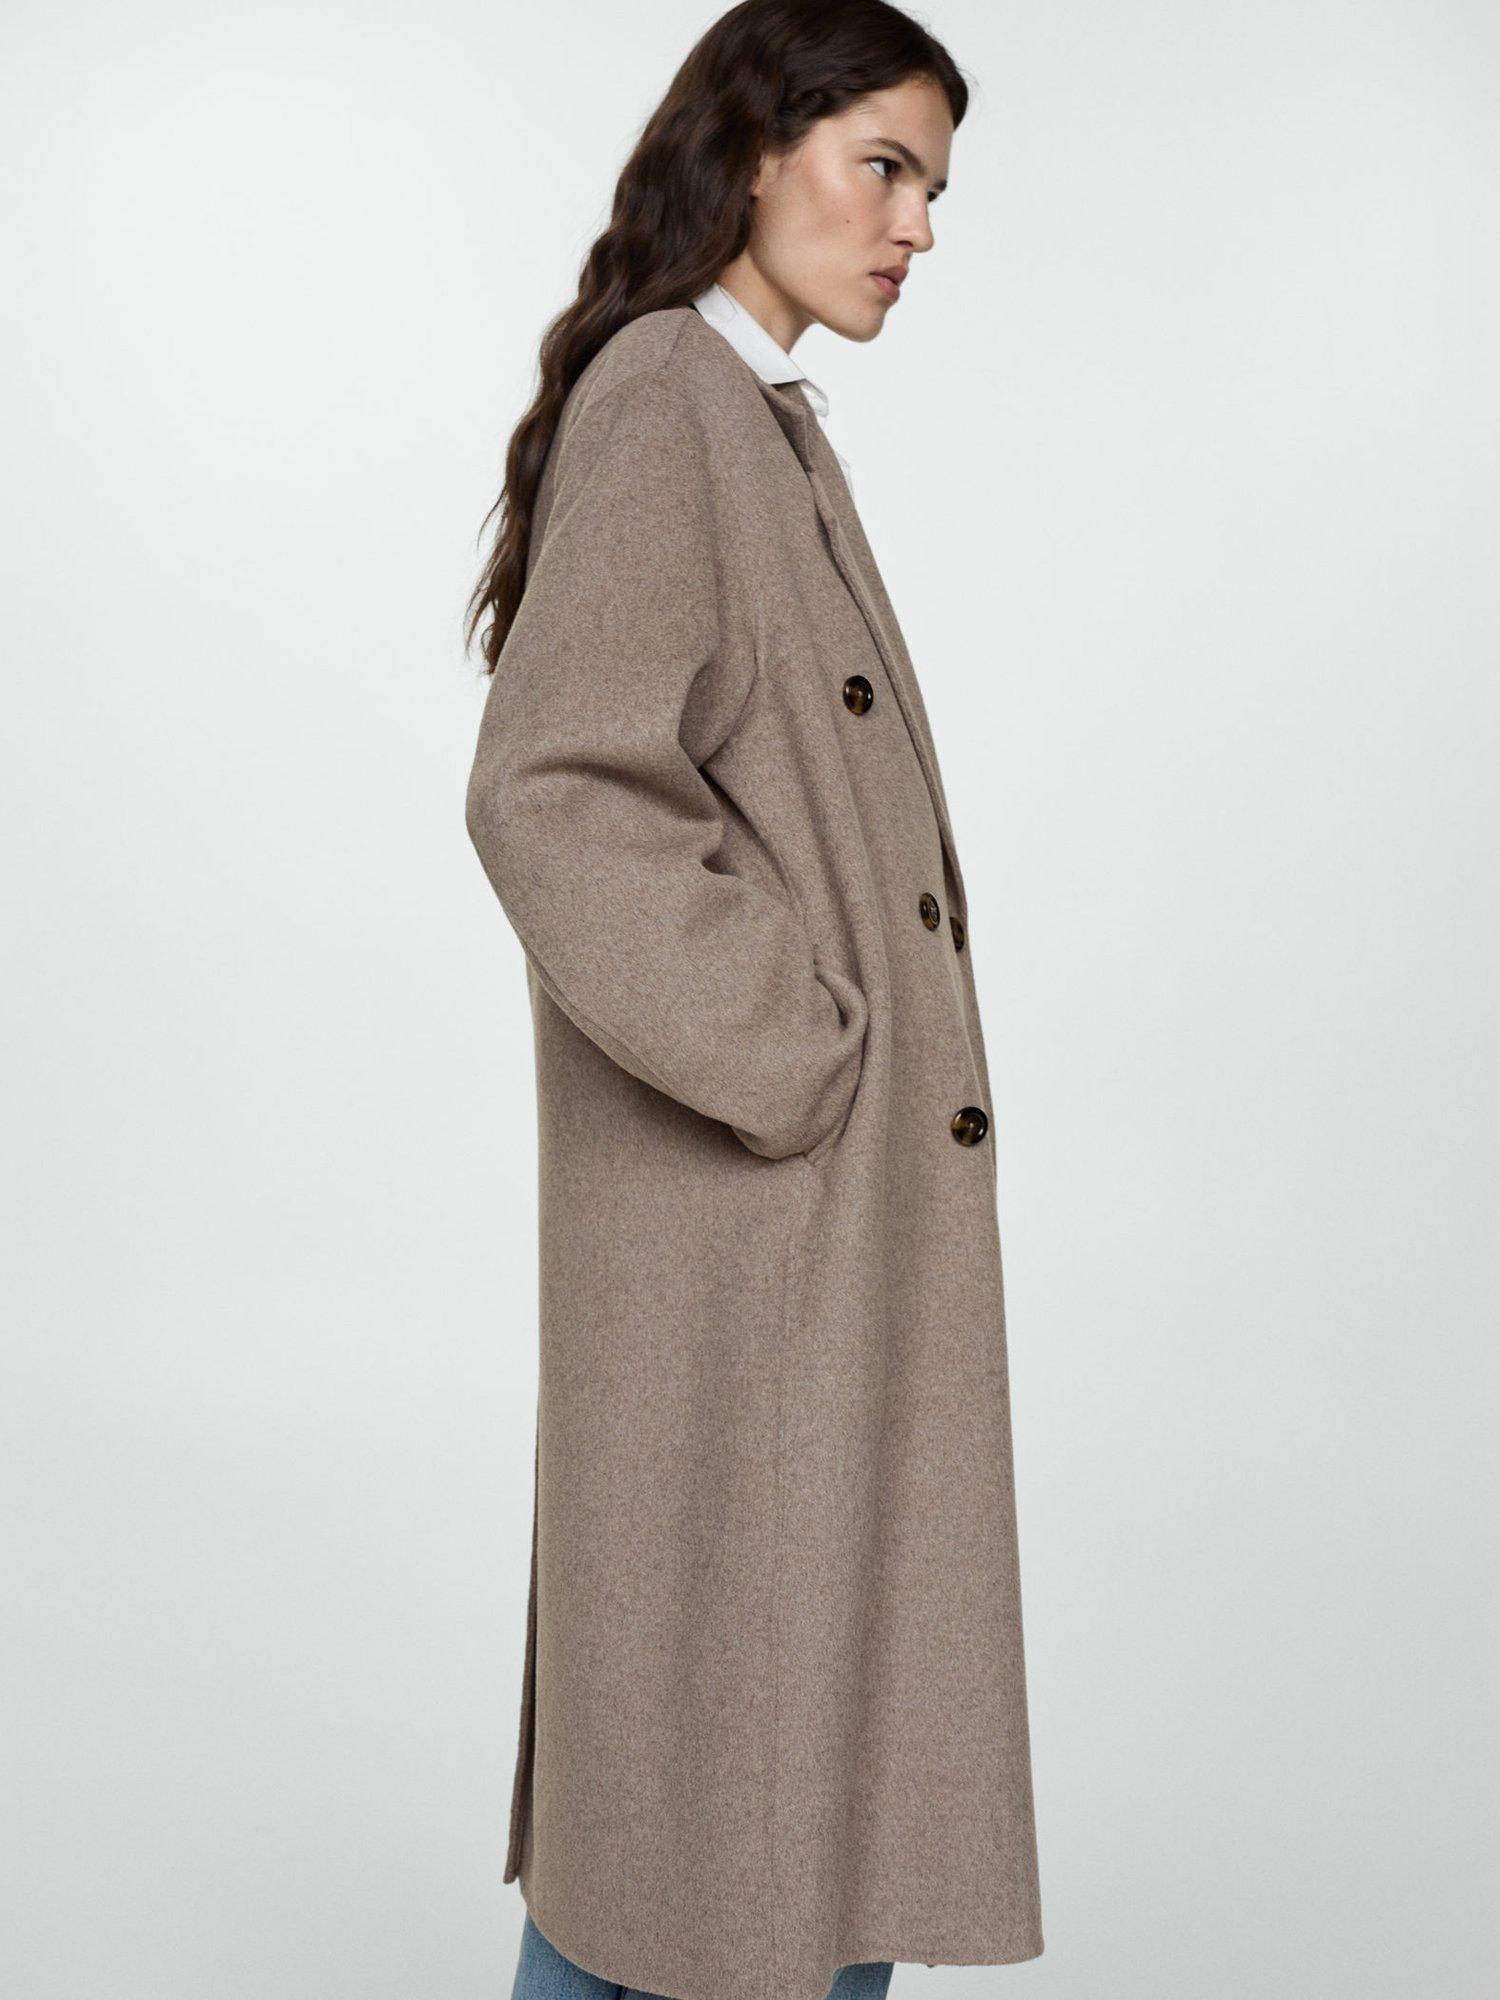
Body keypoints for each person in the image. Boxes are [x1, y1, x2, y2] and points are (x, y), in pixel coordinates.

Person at [462, 6, 1045, 1999]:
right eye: (884, 167)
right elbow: (556, 791)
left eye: (933, 189)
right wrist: (807, 1058)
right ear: (753, 149)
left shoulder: (741, 409)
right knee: (732, 1822)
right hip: (752, 1243)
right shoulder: (672, 399)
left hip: (783, 1250)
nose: (917, 227)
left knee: (745, 1815)